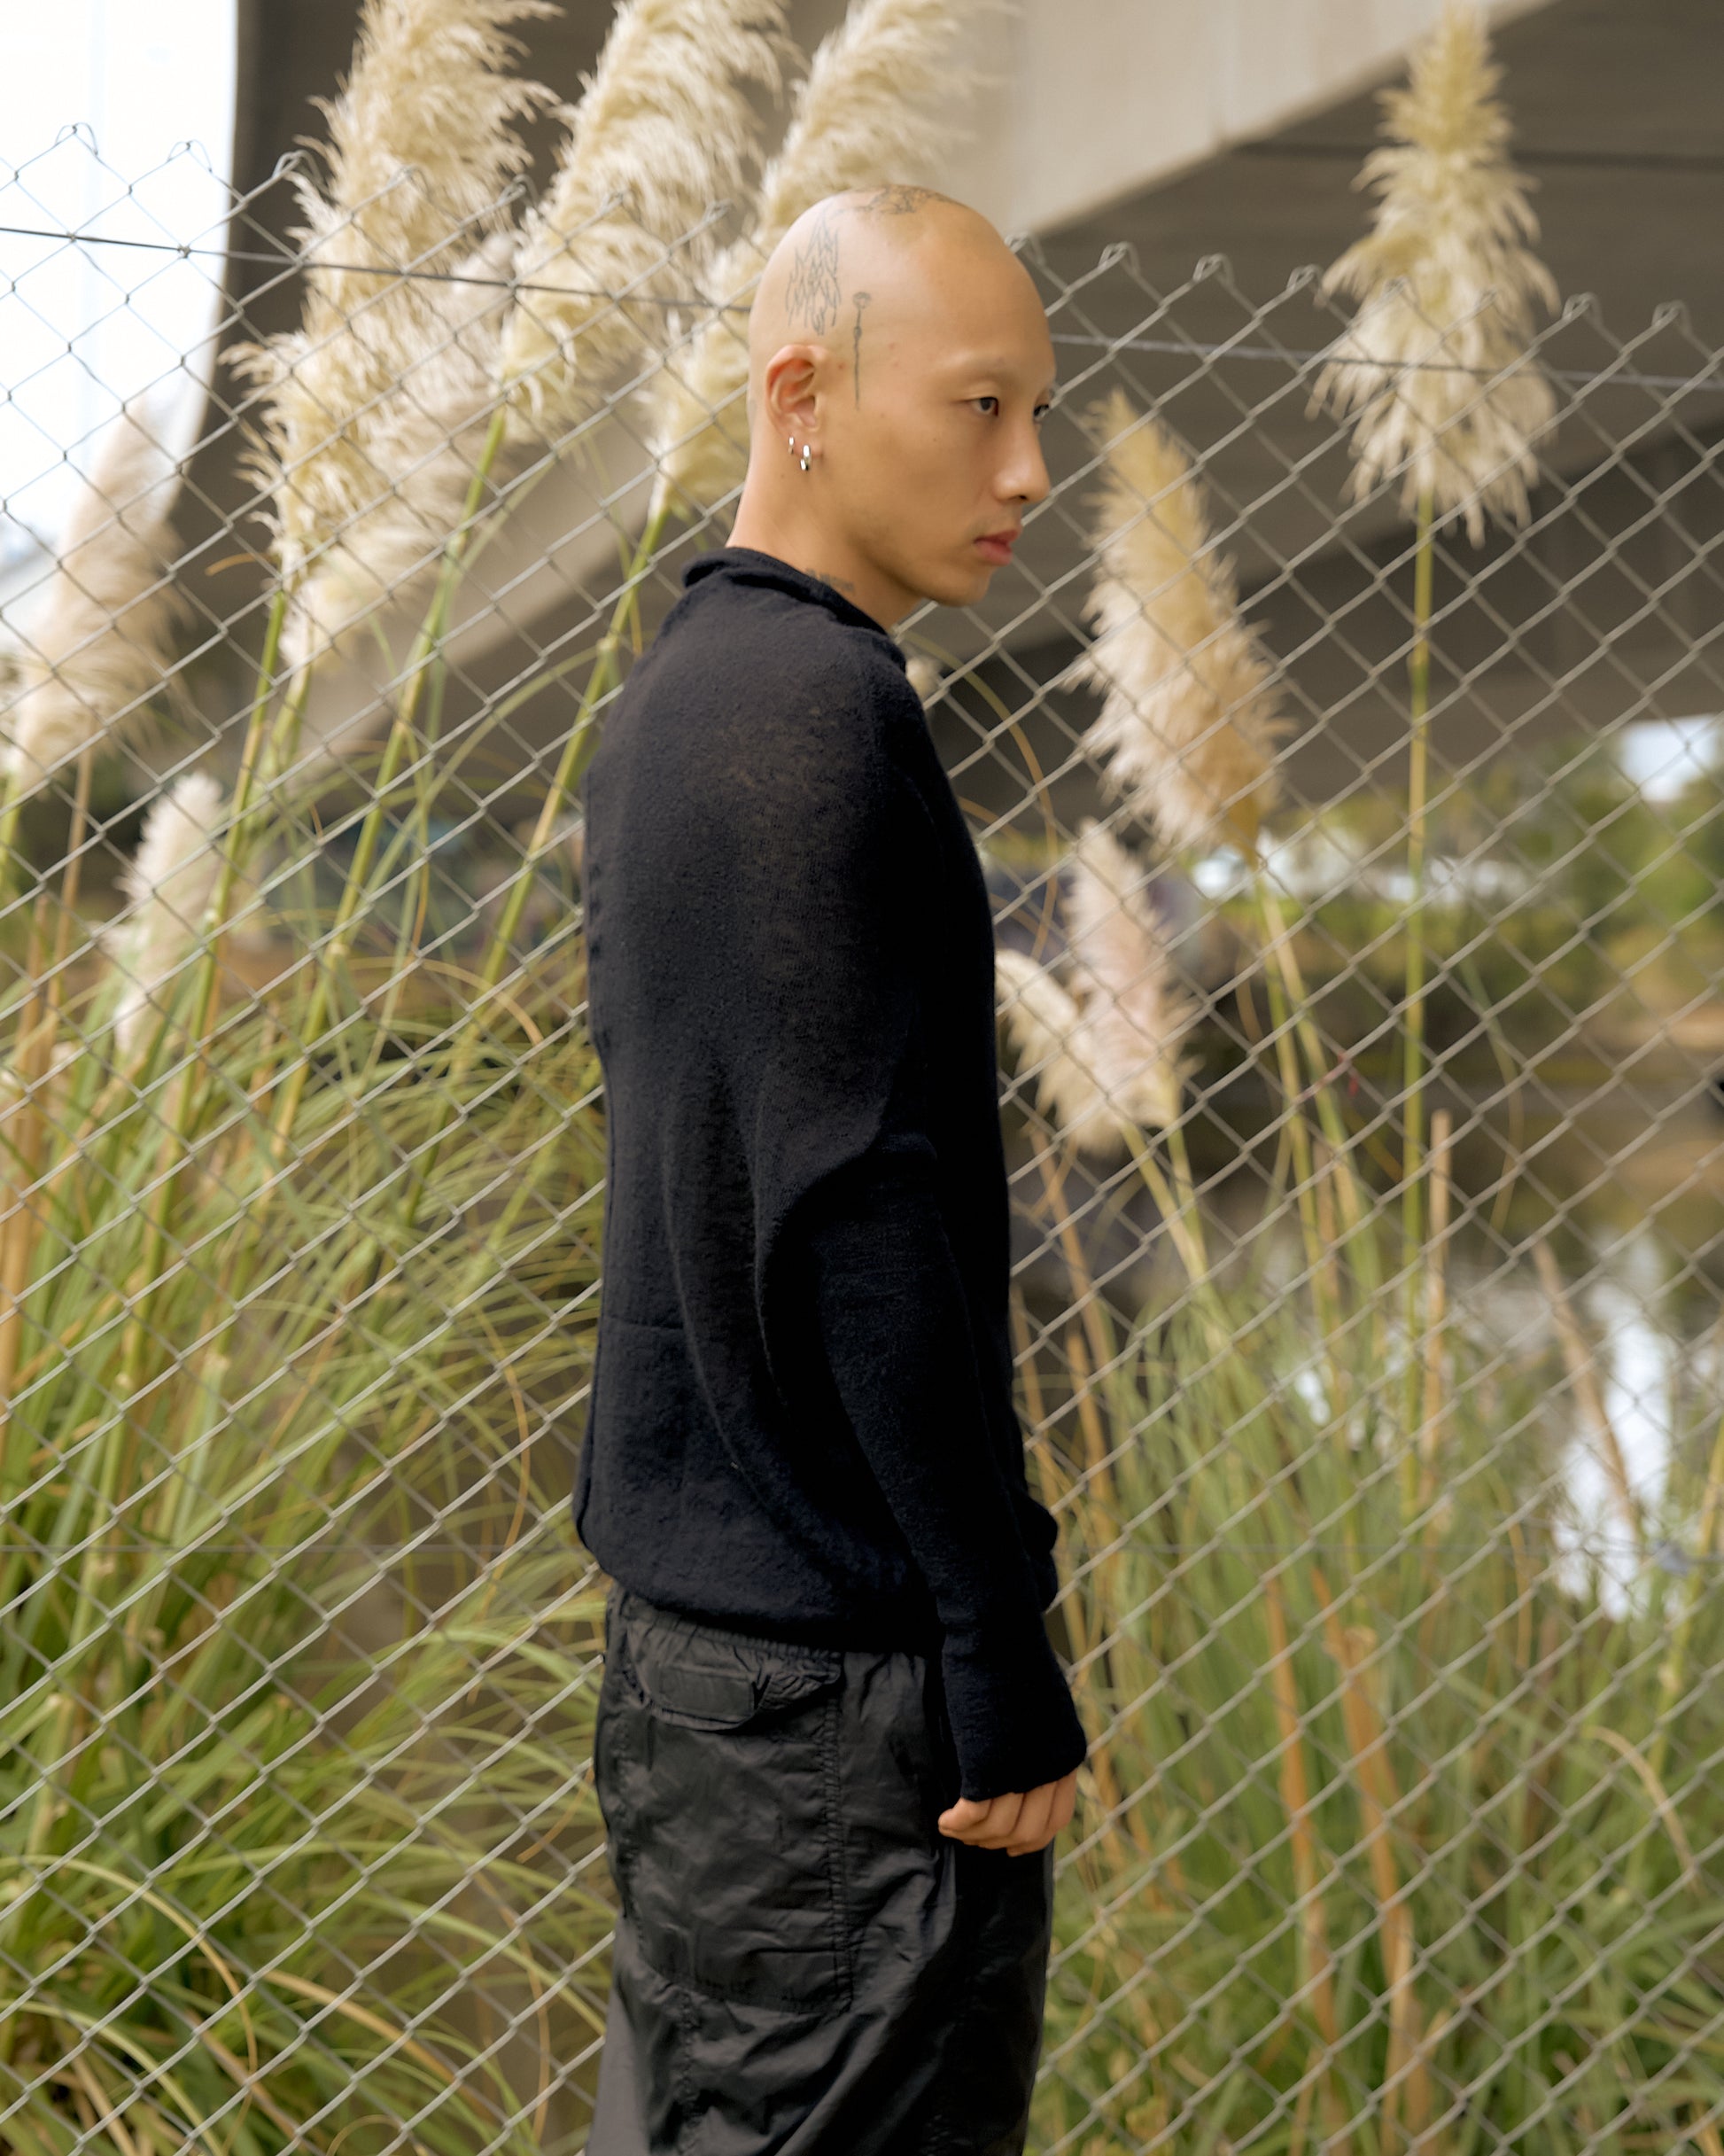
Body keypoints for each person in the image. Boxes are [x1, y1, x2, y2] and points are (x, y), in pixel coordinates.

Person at [576, 183, 1090, 2156]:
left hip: (708, 1680)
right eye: (979, 407)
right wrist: (991, 1631)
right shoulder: (819, 715)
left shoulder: (675, 703)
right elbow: (851, 1211)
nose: (1028, 468)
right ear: (804, 391)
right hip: (833, 1705)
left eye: (1036, 410)